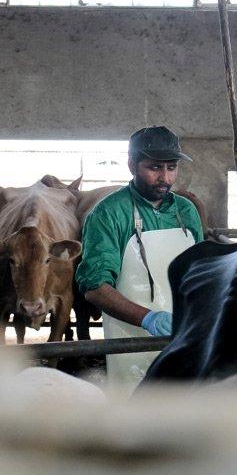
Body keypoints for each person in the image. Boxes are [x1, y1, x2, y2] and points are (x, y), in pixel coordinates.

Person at [75, 126, 203, 388]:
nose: (165, 178)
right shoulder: (109, 213)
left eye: (171, 167)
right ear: (132, 165)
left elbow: (199, 273)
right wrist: (149, 319)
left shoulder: (186, 211)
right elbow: (95, 288)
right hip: (131, 337)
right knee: (136, 408)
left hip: (184, 333)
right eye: (154, 167)